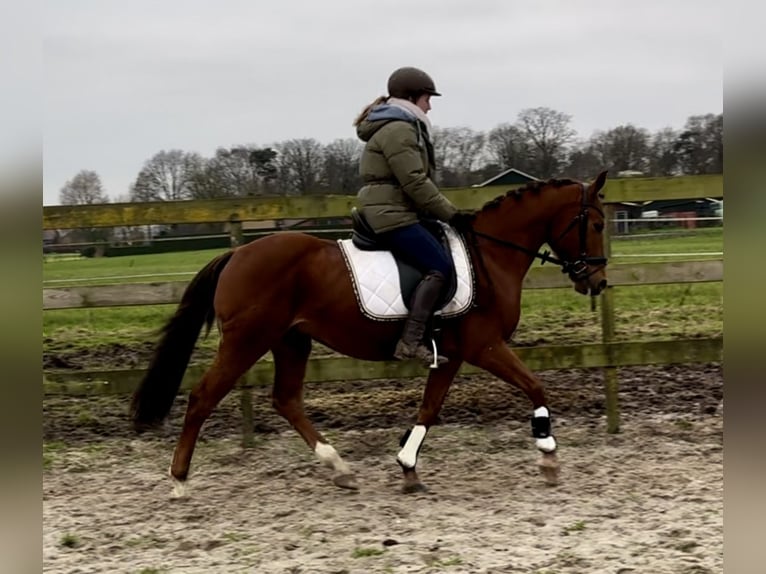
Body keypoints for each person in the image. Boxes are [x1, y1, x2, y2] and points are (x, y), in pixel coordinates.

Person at [353, 66, 473, 367]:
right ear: (411, 98)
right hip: (391, 213)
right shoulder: (399, 129)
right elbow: (415, 181)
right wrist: (452, 215)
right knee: (439, 266)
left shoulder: (399, 125)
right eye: (427, 99)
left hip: (397, 208)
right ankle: (411, 341)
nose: (429, 106)